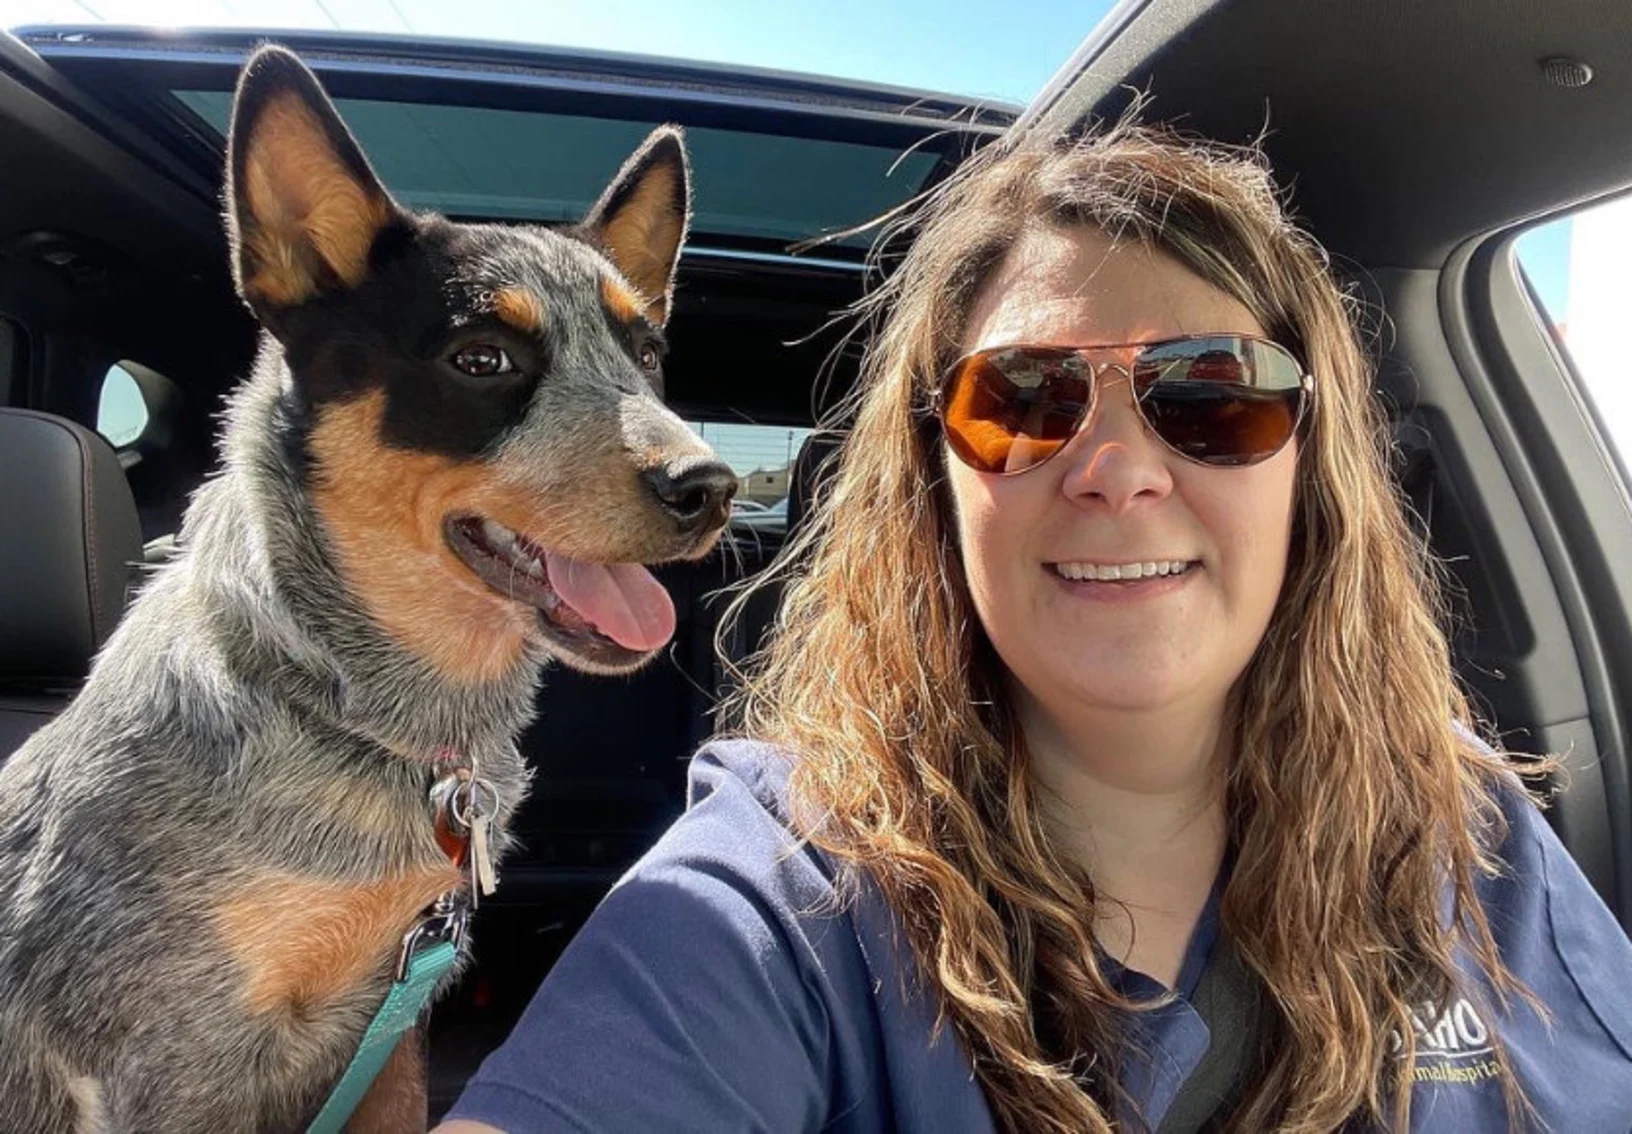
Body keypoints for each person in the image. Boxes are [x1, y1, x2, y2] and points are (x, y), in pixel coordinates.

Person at [435, 125, 1632, 1133]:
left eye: (1211, 392)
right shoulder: (788, 889)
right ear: (935, 481)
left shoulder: (1467, 834)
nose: (1116, 469)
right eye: (1024, 399)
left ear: (1311, 466)